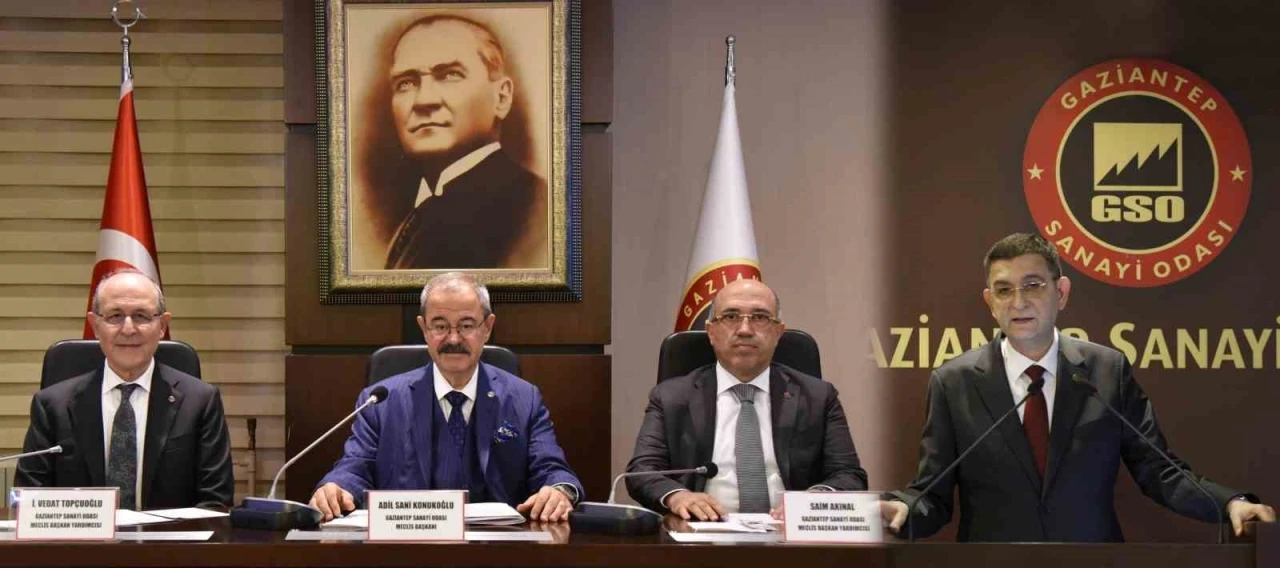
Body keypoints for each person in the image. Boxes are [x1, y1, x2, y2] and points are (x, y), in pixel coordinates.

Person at [880, 232, 1275, 541]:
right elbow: (932, 495)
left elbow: (1159, 471)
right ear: (990, 302)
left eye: (1033, 285)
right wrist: (905, 510)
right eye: (1004, 290)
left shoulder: (1106, 371)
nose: (1018, 302)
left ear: (1062, 293)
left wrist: (1229, 504)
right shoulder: (954, 382)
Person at [311, 272, 583, 521]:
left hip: (500, 545)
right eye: (440, 326)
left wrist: (560, 491)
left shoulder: (524, 398)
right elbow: (354, 467)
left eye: (466, 325)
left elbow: (551, 468)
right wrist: (336, 487)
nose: (453, 339)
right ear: (424, 328)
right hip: (407, 543)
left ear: (487, 327)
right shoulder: (381, 402)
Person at [626, 279, 867, 520]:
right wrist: (678, 496)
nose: (744, 330)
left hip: (791, 533)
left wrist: (814, 501)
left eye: (760, 317)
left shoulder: (818, 397)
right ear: (711, 331)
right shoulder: (671, 397)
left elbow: (848, 475)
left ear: (778, 332)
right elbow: (642, 471)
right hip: (702, 531)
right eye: (731, 316)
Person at [16, 270, 235, 510]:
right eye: (115, 316)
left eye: (141, 316)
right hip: (79, 535)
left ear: (162, 326)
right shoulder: (52, 405)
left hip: (171, 535)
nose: (128, 329)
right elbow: (30, 499)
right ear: (95, 325)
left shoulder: (201, 402)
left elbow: (216, 501)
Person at [379, 15, 547, 270]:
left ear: (501, 98)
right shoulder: (417, 214)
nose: (424, 100)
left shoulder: (536, 211)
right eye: (406, 83)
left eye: (450, 75)